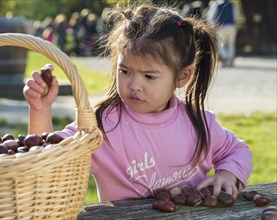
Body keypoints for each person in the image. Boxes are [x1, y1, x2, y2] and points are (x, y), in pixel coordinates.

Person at [23, 3, 252, 202]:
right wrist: (41, 111)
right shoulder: (100, 124)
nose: (134, 85)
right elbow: (49, 161)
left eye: (149, 76)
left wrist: (229, 174)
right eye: (125, 71)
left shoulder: (200, 122)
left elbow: (237, 150)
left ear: (182, 77)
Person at [207, 0, 238, 67]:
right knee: (231, 44)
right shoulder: (232, 4)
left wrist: (213, 24)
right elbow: (236, 15)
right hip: (231, 26)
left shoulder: (217, 4)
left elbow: (211, 16)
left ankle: (226, 57)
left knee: (221, 43)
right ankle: (230, 60)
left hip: (221, 26)